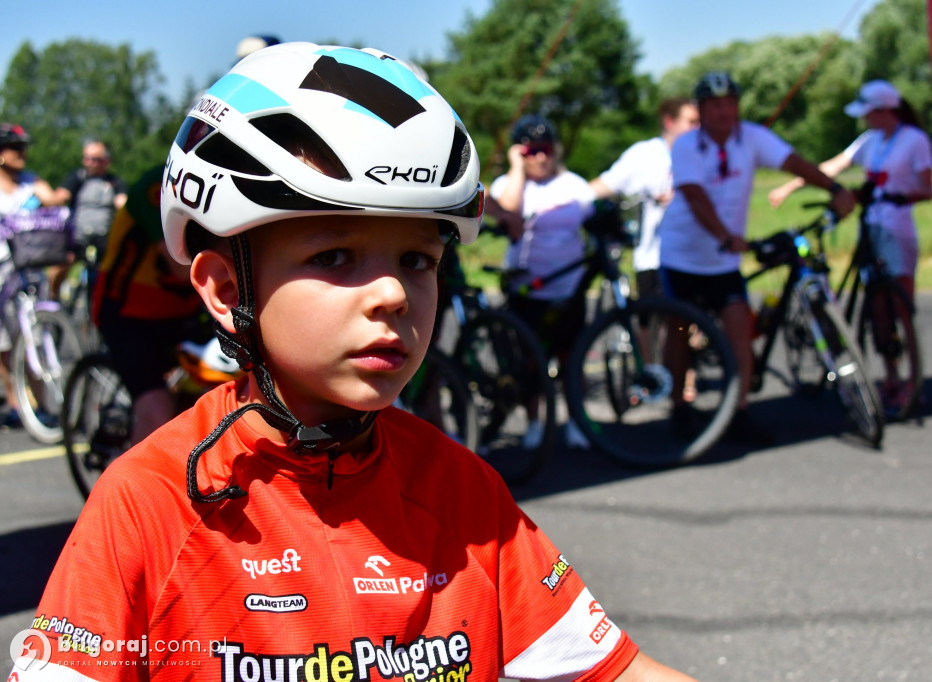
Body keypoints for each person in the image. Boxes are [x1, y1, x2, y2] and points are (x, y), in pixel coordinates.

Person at [11, 43, 697, 682]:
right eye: (334, 256)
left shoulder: (462, 491)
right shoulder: (149, 503)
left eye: (417, 260)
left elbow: (619, 673)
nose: (394, 293)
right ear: (226, 290)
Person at [659, 72, 857, 444]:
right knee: (680, 331)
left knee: (739, 330)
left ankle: (740, 409)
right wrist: (724, 235)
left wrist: (834, 187)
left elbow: (794, 163)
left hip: (724, 263)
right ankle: (679, 408)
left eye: (730, 103)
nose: (724, 111)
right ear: (701, 110)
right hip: (684, 256)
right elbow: (694, 194)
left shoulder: (750, 138)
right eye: (715, 105)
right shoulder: (687, 146)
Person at [767, 79, 932, 412]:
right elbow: (832, 166)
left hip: (897, 229)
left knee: (900, 305)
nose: (865, 120)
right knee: (878, 308)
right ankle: (890, 377)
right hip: (871, 226)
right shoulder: (870, 141)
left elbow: (927, 188)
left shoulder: (914, 140)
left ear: (885, 110)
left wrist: (897, 195)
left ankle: (911, 381)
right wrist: (792, 186)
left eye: (869, 113)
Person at [490, 113, 596, 449]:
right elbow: (509, 211)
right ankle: (535, 422)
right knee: (531, 363)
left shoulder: (574, 185)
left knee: (572, 358)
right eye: (532, 150)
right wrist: (517, 169)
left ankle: (576, 422)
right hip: (527, 290)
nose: (541, 157)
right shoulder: (506, 186)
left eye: (546, 149)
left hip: (568, 288)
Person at [90, 164, 207, 443]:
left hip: (184, 312)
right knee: (157, 410)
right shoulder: (157, 183)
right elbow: (181, 266)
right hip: (128, 312)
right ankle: (132, 483)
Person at [590, 97, 700, 299]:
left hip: (695, 257)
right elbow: (605, 184)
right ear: (669, 122)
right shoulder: (645, 154)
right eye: (691, 122)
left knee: (691, 322)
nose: (698, 128)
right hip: (653, 257)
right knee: (649, 320)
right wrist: (566, 197)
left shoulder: (705, 155)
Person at [0, 122, 62, 428]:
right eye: (16, 148)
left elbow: (52, 198)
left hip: (30, 265)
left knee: (35, 334)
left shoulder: (30, 181)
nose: (23, 153)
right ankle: (16, 401)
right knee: (5, 344)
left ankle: (44, 404)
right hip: (2, 269)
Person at [53, 139, 129, 256]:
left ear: (106, 161)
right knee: (61, 262)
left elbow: (122, 203)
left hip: (105, 237)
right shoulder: (77, 177)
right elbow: (61, 195)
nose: (88, 163)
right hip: (76, 236)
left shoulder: (115, 181)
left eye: (94, 159)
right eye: (86, 158)